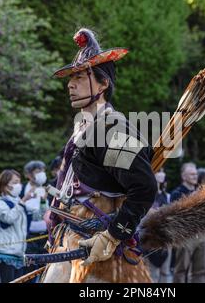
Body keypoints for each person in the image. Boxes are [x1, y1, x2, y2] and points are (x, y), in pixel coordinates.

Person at [41, 28, 157, 283]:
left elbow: (144, 188)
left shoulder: (112, 128)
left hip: (104, 257)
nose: (71, 84)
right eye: (71, 78)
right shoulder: (85, 124)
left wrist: (112, 235)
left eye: (81, 77)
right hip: (71, 242)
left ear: (104, 83)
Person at [171, 162, 205, 283]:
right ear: (183, 176)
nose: (195, 176)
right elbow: (174, 216)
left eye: (196, 174)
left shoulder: (201, 192)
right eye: (191, 174)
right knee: (181, 270)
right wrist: (191, 199)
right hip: (185, 236)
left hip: (201, 234)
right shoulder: (176, 193)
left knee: (200, 271)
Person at [0, 169, 33, 283]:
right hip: (6, 253)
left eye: (19, 182)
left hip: (19, 253)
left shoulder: (18, 202)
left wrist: (42, 200)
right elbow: (8, 218)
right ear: (6, 186)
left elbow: (37, 216)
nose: (19, 185)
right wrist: (23, 202)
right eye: (15, 182)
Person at [21, 160, 49, 279]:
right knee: (29, 270)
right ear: (29, 174)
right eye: (38, 171)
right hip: (29, 237)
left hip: (45, 236)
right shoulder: (22, 189)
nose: (41, 174)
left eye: (43, 171)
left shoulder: (47, 189)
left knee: (44, 269)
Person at [145, 168, 173, 283]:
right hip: (150, 238)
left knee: (165, 272)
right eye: (159, 180)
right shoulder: (146, 196)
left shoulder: (168, 196)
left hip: (166, 238)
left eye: (164, 180)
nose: (162, 183)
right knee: (153, 273)